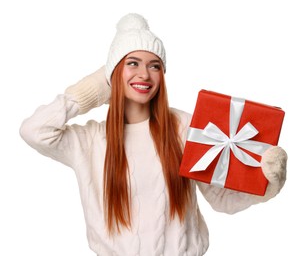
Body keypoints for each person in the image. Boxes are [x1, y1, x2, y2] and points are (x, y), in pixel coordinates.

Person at [20, 13, 287, 256]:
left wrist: (265, 183)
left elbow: (221, 200)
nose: (144, 74)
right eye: (132, 63)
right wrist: (91, 90)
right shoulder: (89, 141)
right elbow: (34, 131)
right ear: (112, 74)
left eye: (155, 66)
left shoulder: (183, 127)